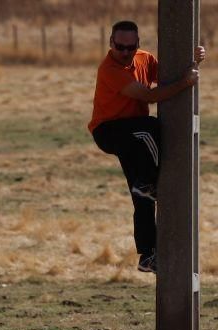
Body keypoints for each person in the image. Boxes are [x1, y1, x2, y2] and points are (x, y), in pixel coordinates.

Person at [88, 21, 205, 274]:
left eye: (131, 47)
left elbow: (168, 74)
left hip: (134, 134)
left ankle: (147, 255)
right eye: (120, 47)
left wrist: (193, 59)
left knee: (142, 197)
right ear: (111, 43)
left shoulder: (144, 59)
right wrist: (185, 83)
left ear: (138, 44)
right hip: (109, 131)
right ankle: (152, 181)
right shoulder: (110, 69)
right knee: (151, 127)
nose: (126, 52)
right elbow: (150, 96)